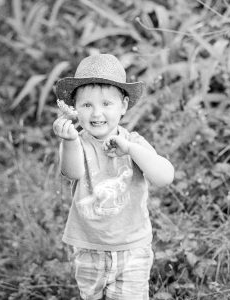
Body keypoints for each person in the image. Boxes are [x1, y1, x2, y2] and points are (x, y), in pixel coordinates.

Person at [52, 53, 174, 300]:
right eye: (87, 105)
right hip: (89, 248)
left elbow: (164, 177)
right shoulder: (78, 143)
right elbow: (71, 172)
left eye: (107, 104)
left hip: (132, 250)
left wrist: (130, 150)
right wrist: (69, 141)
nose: (97, 113)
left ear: (124, 106)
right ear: (76, 109)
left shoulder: (133, 143)